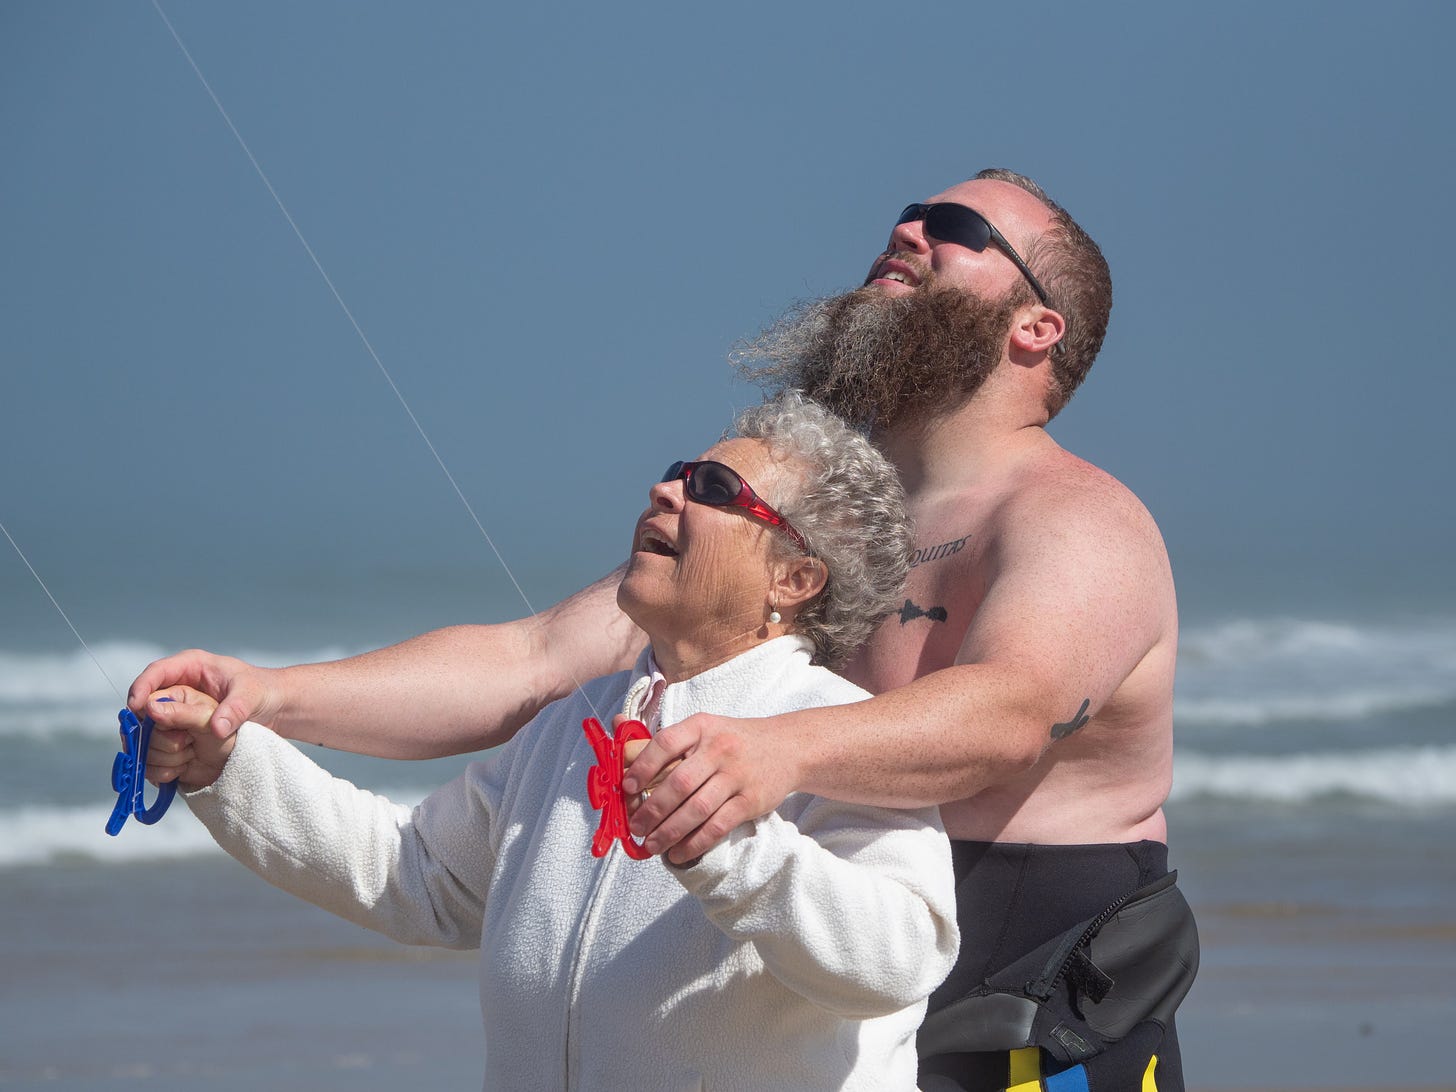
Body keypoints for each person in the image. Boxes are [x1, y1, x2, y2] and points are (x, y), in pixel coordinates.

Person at [135, 169, 1196, 1090]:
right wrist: (264, 697)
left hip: (1032, 1010)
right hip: (793, 988)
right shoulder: (773, 520)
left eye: (959, 232)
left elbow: (1008, 715)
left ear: (1036, 326)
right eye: (908, 213)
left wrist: (768, 756)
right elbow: (530, 661)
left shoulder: (1075, 521)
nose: (909, 230)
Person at [150, 394, 959, 1092]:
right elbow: (417, 874)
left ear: (794, 579)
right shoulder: (578, 721)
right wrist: (228, 763)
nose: (665, 489)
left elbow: (902, 956)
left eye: (712, 488)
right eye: (679, 470)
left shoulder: (833, 731)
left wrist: (729, 848)